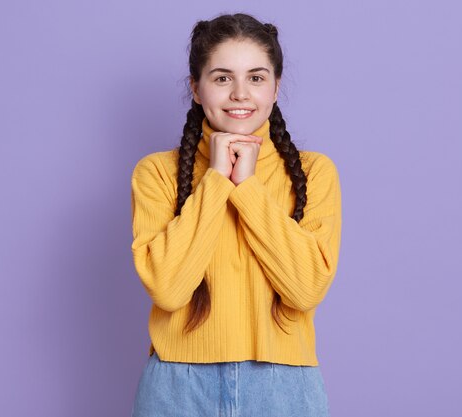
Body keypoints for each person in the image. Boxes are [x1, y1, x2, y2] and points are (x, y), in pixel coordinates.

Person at [129, 12, 341, 417]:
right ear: (196, 88)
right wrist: (217, 180)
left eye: (256, 78)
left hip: (284, 387)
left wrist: (248, 187)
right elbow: (168, 289)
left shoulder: (315, 172)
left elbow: (306, 289)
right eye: (222, 78)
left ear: (276, 87)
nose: (240, 93)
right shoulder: (156, 172)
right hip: (177, 386)